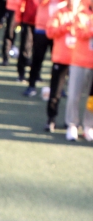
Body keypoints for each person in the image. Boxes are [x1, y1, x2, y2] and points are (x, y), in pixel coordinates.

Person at [47, 0, 93, 140]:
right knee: (74, 95)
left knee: (91, 98)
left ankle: (89, 126)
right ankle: (72, 124)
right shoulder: (81, 14)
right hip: (79, 61)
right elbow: (78, 32)